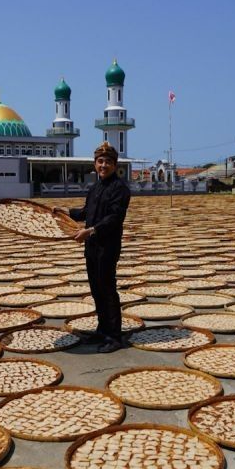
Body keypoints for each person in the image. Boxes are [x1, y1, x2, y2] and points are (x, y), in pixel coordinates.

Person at [54, 142, 131, 353]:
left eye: (107, 162)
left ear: (115, 165)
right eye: (100, 161)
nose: (103, 165)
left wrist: (91, 231)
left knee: (107, 290)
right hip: (92, 247)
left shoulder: (120, 188)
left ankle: (114, 336)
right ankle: (102, 329)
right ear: (95, 164)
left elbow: (114, 218)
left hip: (107, 247)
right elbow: (87, 212)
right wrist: (66, 211)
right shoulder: (95, 188)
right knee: (96, 290)